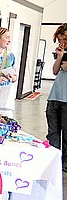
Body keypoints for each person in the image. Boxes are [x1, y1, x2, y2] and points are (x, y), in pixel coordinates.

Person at [46, 23, 67, 172]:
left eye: (63, 39)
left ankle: (64, 163)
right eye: (59, 39)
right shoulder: (61, 52)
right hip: (55, 96)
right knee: (53, 132)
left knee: (66, 133)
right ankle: (52, 159)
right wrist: (59, 57)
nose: (60, 42)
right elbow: (55, 71)